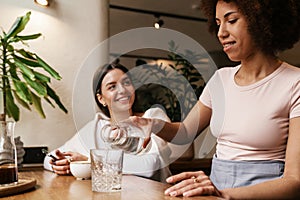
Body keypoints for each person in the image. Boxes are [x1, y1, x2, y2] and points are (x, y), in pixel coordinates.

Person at [127, 0, 300, 199]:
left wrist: (224, 194)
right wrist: (153, 125)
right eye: (218, 24)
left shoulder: (294, 83)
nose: (221, 33)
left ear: (261, 20)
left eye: (232, 20)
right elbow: (185, 133)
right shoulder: (221, 79)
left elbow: (294, 182)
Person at [43, 63, 172, 182]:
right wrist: (60, 165)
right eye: (112, 87)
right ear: (101, 99)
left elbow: (150, 166)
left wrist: (90, 162)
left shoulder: (153, 117)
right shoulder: (97, 127)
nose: (122, 90)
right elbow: (48, 158)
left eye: (126, 83)